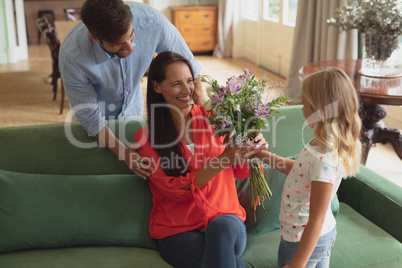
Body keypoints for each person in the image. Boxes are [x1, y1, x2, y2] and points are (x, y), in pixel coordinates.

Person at [134, 51, 267, 268]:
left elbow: (242, 171)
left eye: (189, 81)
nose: (187, 90)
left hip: (226, 220)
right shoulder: (146, 138)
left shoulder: (217, 120)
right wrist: (222, 161)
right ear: (157, 87)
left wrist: (252, 145)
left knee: (220, 228)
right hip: (177, 231)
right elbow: (172, 190)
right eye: (176, 83)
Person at [59, 0, 204, 179]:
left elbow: (190, 67)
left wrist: (205, 119)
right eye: (118, 44)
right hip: (101, 124)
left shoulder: (152, 21)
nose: (129, 47)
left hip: (135, 112)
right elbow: (91, 118)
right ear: (95, 38)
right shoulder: (72, 57)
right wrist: (124, 154)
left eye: (131, 35)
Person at [255, 67, 362, 268]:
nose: (301, 108)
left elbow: (316, 219)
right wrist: (262, 155)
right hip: (320, 237)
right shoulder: (324, 143)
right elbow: (300, 171)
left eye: (305, 103)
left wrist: (297, 264)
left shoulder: (324, 158)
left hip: (301, 240)